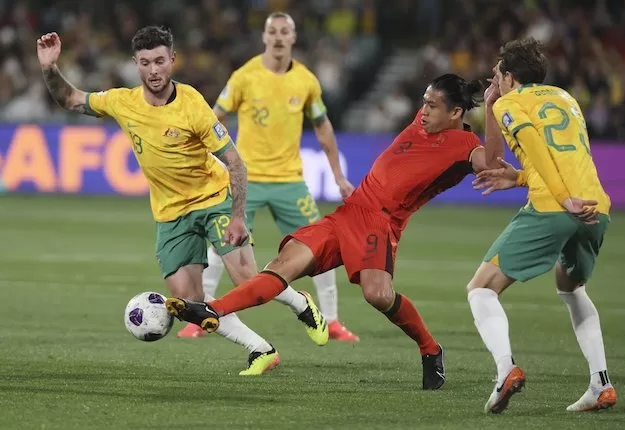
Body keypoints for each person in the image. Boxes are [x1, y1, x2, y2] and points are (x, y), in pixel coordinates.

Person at [165, 73, 505, 389]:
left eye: (432, 105)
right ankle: (213, 310)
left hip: (379, 223)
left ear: (456, 111)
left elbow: (489, 162)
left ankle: (430, 348)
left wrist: (492, 106)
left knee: (378, 296)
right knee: (282, 265)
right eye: (424, 101)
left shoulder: (465, 147)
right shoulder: (422, 122)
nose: (424, 110)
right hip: (348, 212)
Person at [36, 26, 328, 376]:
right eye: (145, 63)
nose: (154, 70)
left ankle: (302, 304)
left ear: (172, 60)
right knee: (191, 306)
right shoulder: (122, 102)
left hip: (213, 200)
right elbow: (69, 99)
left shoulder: (192, 105)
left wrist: (237, 217)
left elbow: (235, 162)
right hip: (170, 215)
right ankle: (260, 349)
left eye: (160, 61)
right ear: (136, 65)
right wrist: (49, 67)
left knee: (247, 279)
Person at [175, 12, 359, 342]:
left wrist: (338, 176)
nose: (277, 37)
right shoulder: (244, 77)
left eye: (284, 31)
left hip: (290, 180)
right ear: (264, 37)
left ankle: (330, 321)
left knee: (321, 247)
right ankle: (199, 316)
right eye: (272, 31)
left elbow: (322, 127)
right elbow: (215, 117)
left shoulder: (306, 81)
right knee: (224, 243)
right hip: (248, 179)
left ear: (293, 37)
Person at [468, 38, 617, 413]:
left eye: (497, 74)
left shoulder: (511, 102)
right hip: (596, 208)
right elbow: (565, 156)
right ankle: (601, 383)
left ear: (510, 76)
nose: (494, 80)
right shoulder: (565, 98)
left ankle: (505, 371)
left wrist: (562, 198)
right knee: (571, 286)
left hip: (558, 205)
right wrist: (518, 179)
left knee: (480, 289)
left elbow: (529, 149)